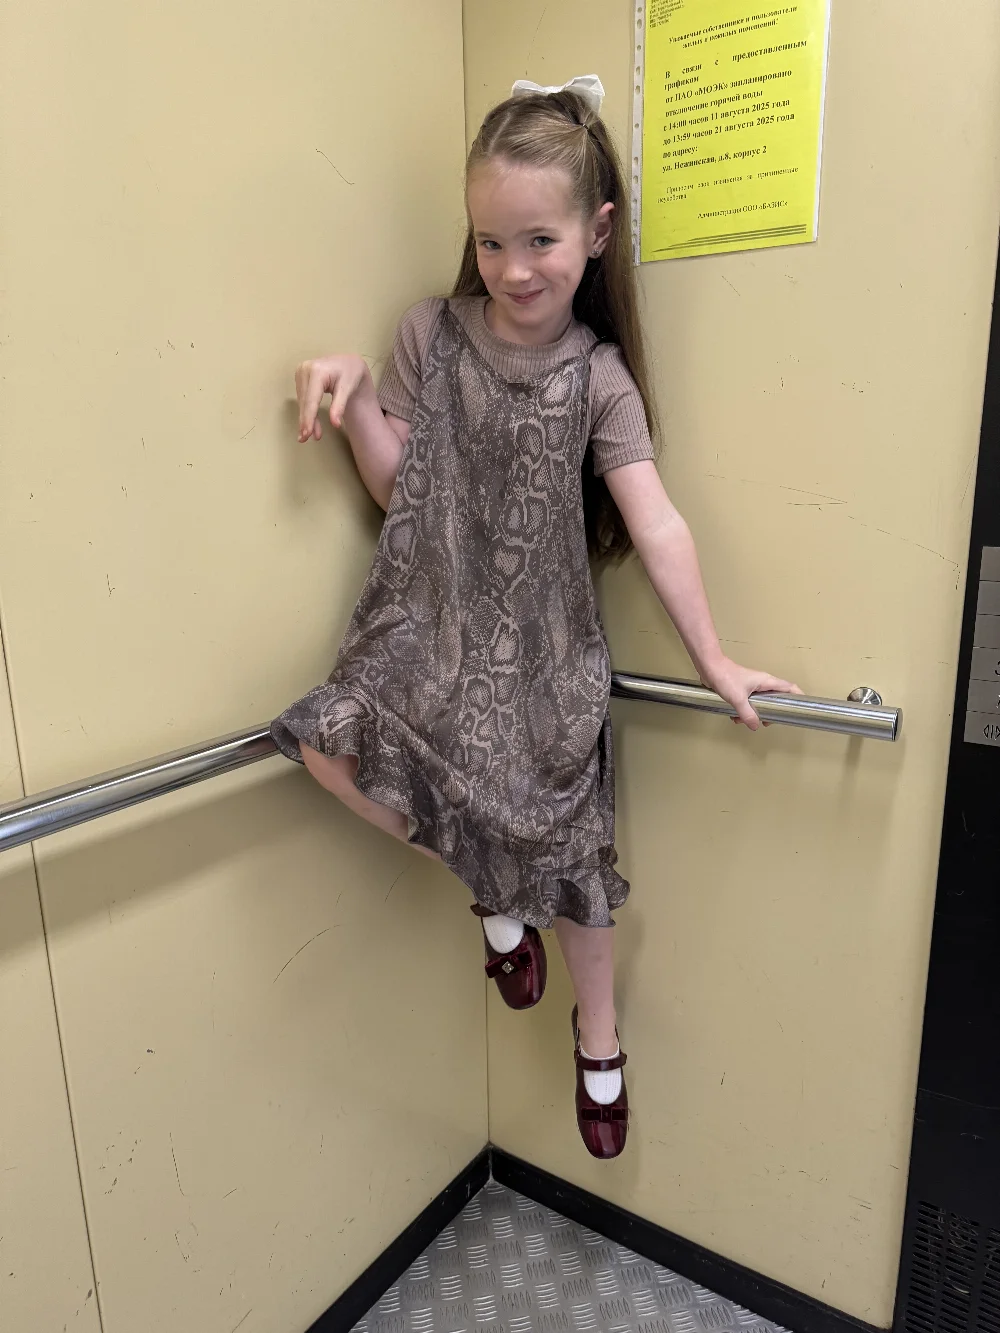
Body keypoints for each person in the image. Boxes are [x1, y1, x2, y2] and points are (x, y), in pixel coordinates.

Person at [271, 75, 799, 1159]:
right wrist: (360, 396)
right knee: (324, 743)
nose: (513, 269)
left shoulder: (599, 379)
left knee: (568, 862)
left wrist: (714, 658)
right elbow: (400, 486)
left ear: (596, 233)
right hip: (431, 638)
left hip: (546, 662)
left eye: (540, 241)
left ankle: (596, 1035)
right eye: (491, 241)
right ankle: (492, 897)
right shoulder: (432, 332)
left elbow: (656, 522)